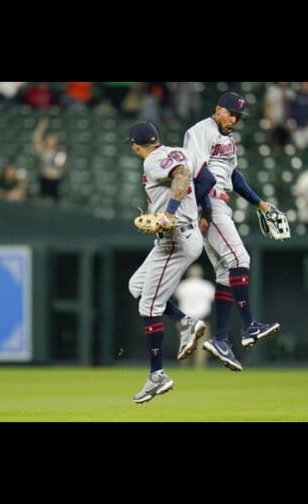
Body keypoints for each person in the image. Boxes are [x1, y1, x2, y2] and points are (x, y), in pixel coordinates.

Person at [183, 92, 282, 372]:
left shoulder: (228, 138)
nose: (235, 120)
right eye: (231, 114)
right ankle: (249, 326)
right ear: (218, 110)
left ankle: (220, 339)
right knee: (240, 259)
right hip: (208, 201)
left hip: (219, 201)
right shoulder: (199, 131)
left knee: (227, 272)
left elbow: (234, 176)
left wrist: (259, 203)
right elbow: (197, 174)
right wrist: (205, 210)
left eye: (238, 116)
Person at [125, 122, 205, 404]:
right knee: (136, 286)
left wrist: (169, 213)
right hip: (184, 234)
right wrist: (202, 212)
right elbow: (203, 179)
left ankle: (157, 375)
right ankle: (185, 322)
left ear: (136, 145)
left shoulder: (152, 160)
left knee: (148, 307)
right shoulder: (177, 151)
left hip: (174, 238)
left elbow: (182, 174)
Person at [174, 265, 216, 368]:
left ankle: (184, 369)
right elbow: (213, 298)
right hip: (201, 319)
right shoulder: (206, 286)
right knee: (201, 345)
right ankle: (199, 369)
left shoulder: (183, 285)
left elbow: (177, 297)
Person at [32, 118, 67, 202]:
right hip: (44, 179)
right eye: (48, 139)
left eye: (52, 140)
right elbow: (35, 139)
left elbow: (62, 168)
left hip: (55, 180)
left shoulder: (60, 153)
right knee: (42, 200)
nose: (49, 141)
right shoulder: (43, 151)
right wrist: (41, 127)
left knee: (54, 201)